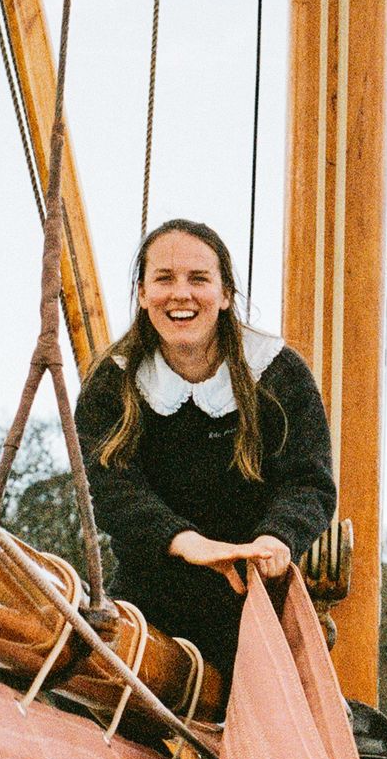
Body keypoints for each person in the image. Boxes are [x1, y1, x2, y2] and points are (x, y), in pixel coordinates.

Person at [74, 219, 336, 679]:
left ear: (225, 294)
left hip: (254, 601)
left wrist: (276, 538)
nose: (181, 294)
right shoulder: (112, 383)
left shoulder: (277, 375)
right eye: (164, 279)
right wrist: (190, 545)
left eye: (198, 279)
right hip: (148, 603)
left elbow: (308, 482)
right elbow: (114, 491)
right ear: (142, 293)